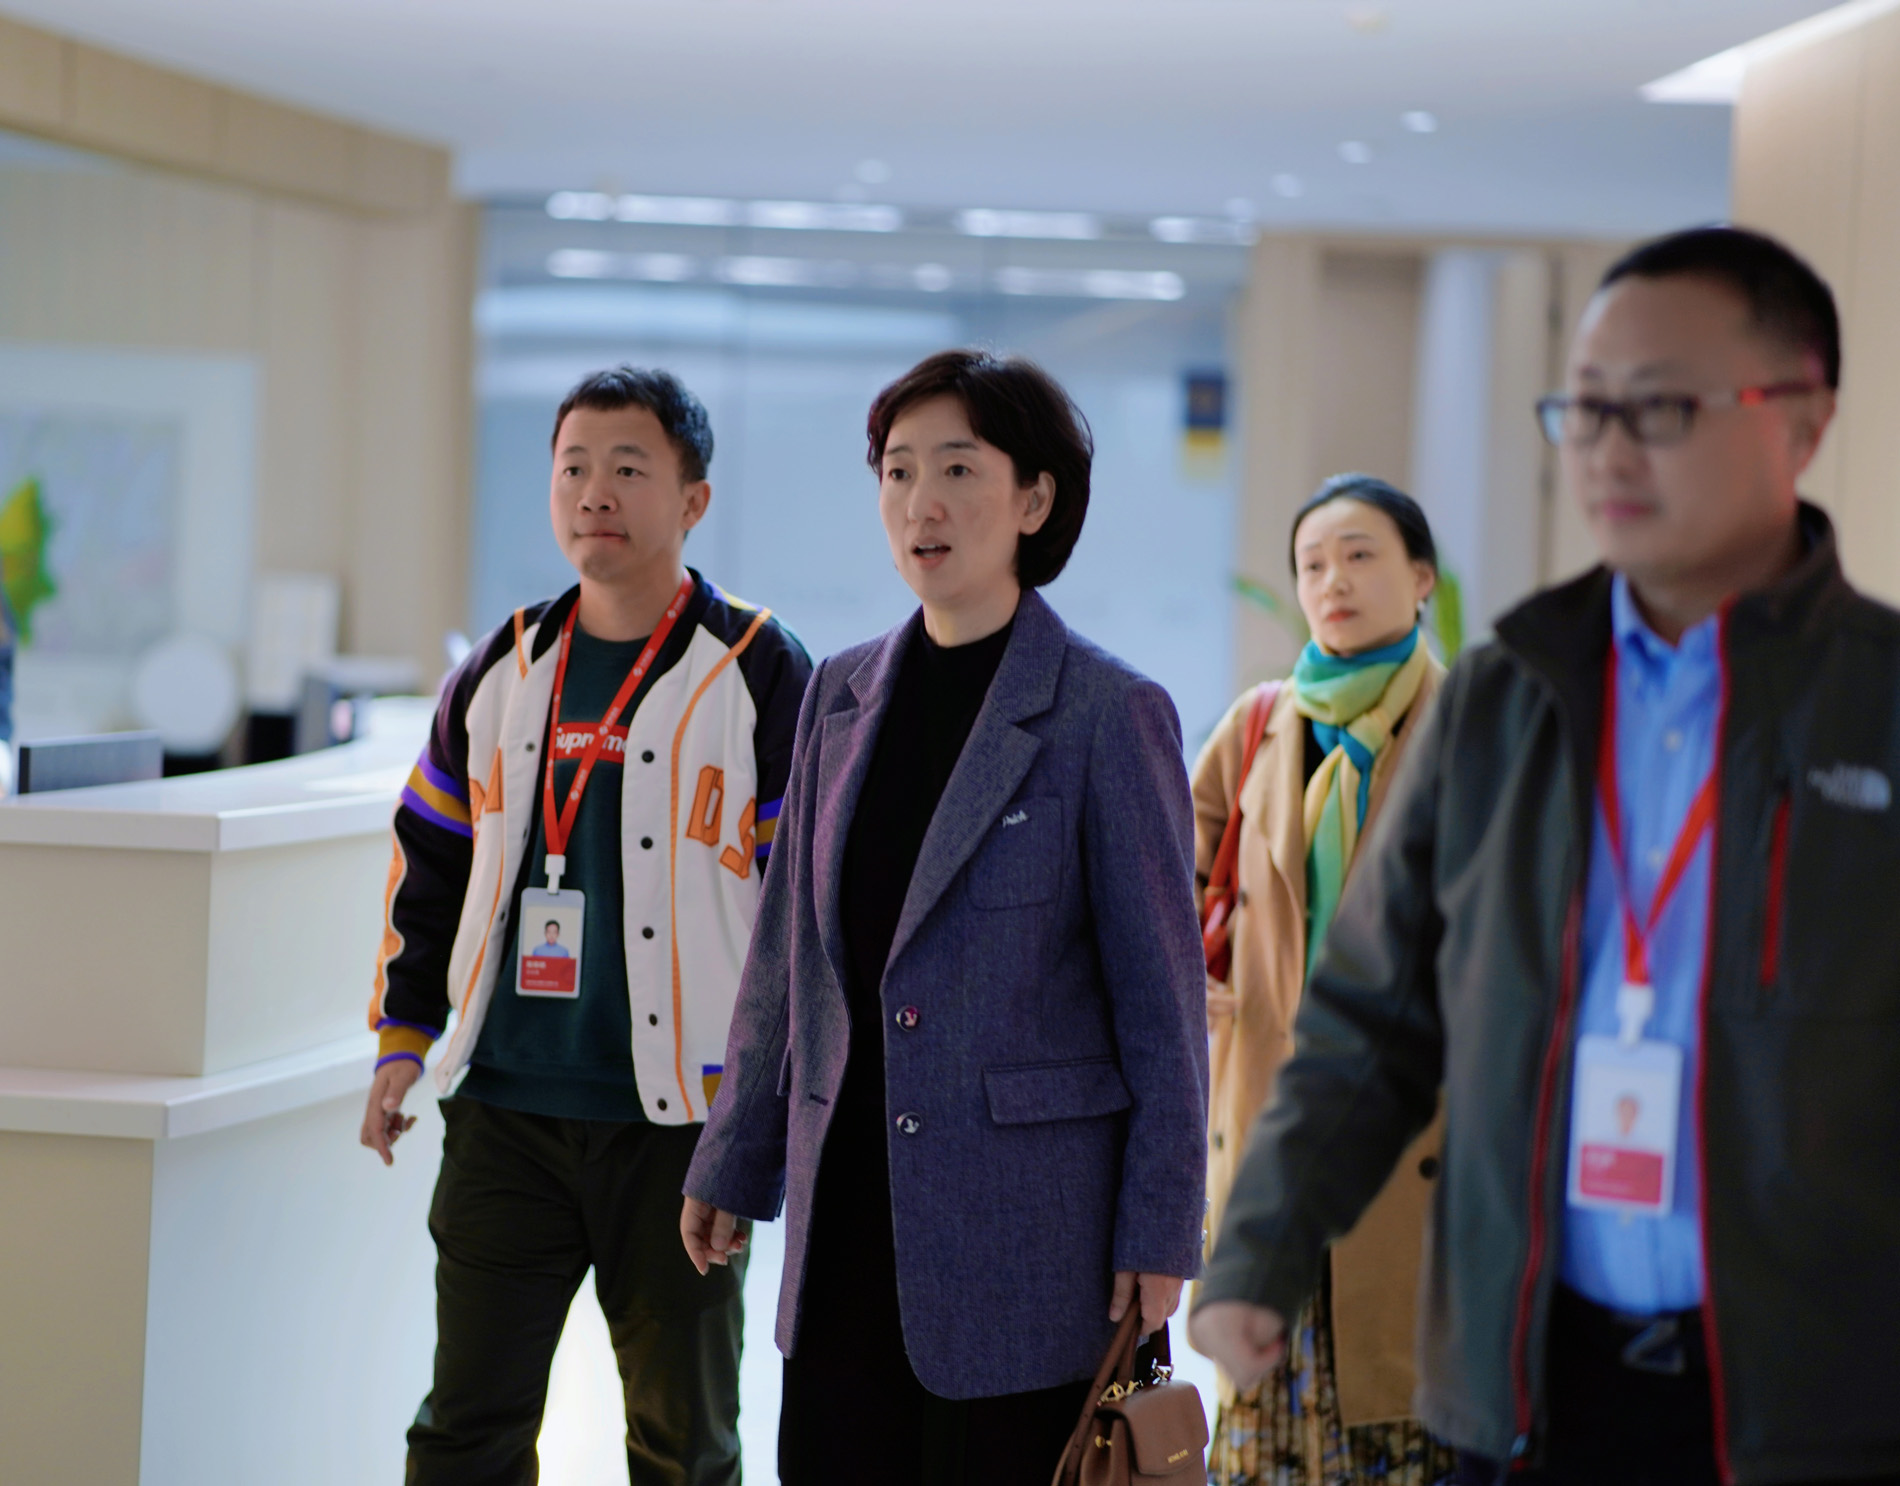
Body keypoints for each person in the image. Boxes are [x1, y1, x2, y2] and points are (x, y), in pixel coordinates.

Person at [1190, 224, 1900, 1486]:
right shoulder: (1509, 692)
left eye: (1660, 406)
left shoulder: (1877, 699)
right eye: (1584, 408)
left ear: (1801, 417)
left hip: (1809, 1395)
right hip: (1523, 1383)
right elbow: (1372, 1009)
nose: (1609, 448)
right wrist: (1260, 1245)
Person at [679, 349, 1208, 1486]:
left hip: (1027, 1245)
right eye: (898, 471)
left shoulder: (1107, 713)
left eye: (958, 469)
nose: (921, 502)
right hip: (845, 1224)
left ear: (1034, 500)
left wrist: (1161, 1231)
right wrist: (733, 1153)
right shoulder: (840, 693)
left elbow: (1164, 1009)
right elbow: (786, 953)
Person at [360, 365, 812, 1485]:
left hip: (683, 1130)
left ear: (693, 499)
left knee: (683, 1444)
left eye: (627, 468)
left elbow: (801, 912)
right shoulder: (502, 668)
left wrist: (769, 1116)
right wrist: (402, 1038)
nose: (594, 491)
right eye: (573, 467)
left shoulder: (760, 668)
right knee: (464, 1429)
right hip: (504, 1112)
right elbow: (431, 861)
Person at [1192, 474, 1453, 1486]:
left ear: (1421, 577)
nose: (1331, 582)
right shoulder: (1259, 724)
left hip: (1413, 1142)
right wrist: (1187, 976)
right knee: (1262, 1445)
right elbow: (1166, 876)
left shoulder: (1476, 725)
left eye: (1359, 555)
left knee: (1401, 1430)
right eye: (1311, 565)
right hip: (1271, 1134)